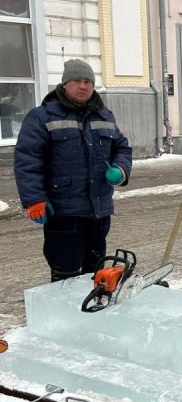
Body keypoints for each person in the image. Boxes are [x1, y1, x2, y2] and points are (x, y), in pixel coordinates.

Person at [14, 59, 132, 282]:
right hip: (63, 214)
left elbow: (122, 147)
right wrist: (34, 199)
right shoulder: (42, 117)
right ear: (65, 84)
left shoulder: (104, 116)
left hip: (99, 211)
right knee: (65, 277)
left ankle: (91, 315)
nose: (83, 86)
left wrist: (121, 168)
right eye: (77, 80)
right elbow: (28, 160)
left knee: (96, 274)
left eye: (88, 81)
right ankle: (63, 316)